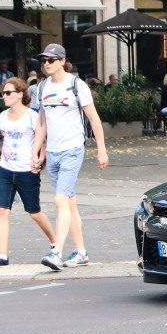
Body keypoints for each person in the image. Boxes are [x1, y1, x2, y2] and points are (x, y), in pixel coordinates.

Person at [32, 43, 108, 270]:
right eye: (44, 60)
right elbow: (42, 122)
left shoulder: (77, 85)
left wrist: (101, 150)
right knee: (69, 204)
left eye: (52, 60)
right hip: (53, 151)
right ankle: (81, 252)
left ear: (63, 61)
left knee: (60, 200)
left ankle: (56, 251)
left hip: (73, 149)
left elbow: (94, 119)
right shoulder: (42, 87)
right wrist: (36, 151)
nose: (47, 64)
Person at [0, 77, 57, 268]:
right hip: (5, 169)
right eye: (3, 93)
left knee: (34, 212)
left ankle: (55, 243)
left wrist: (39, 159)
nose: (4, 96)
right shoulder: (2, 116)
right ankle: (2, 256)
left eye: (8, 93)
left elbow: (42, 140)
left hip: (26, 170)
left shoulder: (32, 116)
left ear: (20, 94)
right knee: (2, 210)